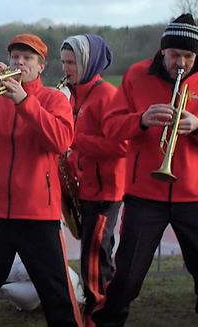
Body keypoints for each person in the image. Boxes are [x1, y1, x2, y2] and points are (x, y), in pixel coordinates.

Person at [92, 14, 198, 327]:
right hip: (144, 195)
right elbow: (111, 127)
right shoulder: (135, 75)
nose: (180, 63)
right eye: (174, 55)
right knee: (126, 279)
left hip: (196, 197)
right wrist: (141, 119)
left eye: (188, 56)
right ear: (162, 52)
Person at [0, 34, 83, 327]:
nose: (19, 63)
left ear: (40, 67)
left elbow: (60, 141)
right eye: (15, 57)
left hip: (37, 213)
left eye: (27, 59)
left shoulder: (52, 100)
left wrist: (25, 102)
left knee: (56, 294)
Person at [59, 35, 126, 325]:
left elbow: (122, 145)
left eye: (72, 62)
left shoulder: (107, 95)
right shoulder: (74, 94)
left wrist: (76, 142)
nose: (66, 69)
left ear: (89, 63)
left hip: (105, 190)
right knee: (97, 257)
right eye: (63, 62)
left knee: (95, 261)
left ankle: (97, 317)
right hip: (85, 188)